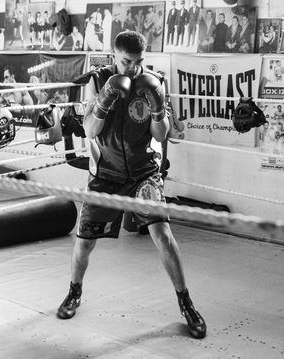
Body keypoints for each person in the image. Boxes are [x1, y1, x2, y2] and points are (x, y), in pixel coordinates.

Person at [56, 31, 206, 339]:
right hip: (106, 174)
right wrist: (104, 101)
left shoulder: (153, 81)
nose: (134, 68)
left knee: (163, 235)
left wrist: (158, 107)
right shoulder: (98, 81)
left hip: (143, 172)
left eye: (139, 62)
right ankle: (74, 292)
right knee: (84, 241)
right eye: (127, 62)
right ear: (114, 56)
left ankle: (186, 303)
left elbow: (162, 134)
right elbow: (89, 130)